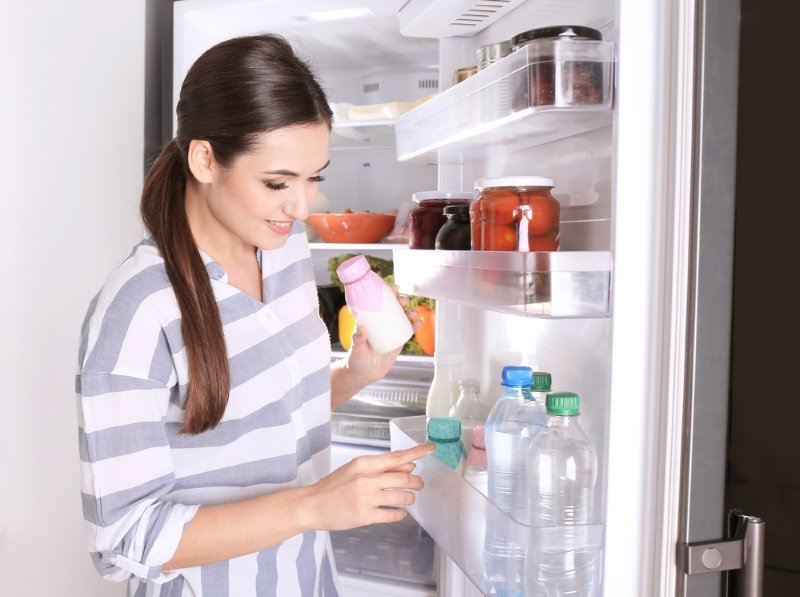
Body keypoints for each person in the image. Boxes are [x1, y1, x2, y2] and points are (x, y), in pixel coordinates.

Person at [75, 33, 434, 597]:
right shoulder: (139, 310)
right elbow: (124, 539)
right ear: (205, 159)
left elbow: (262, 419)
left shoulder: (285, 252)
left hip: (308, 579)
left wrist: (353, 376)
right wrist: (312, 506)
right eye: (277, 182)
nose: (302, 205)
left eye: (315, 177)